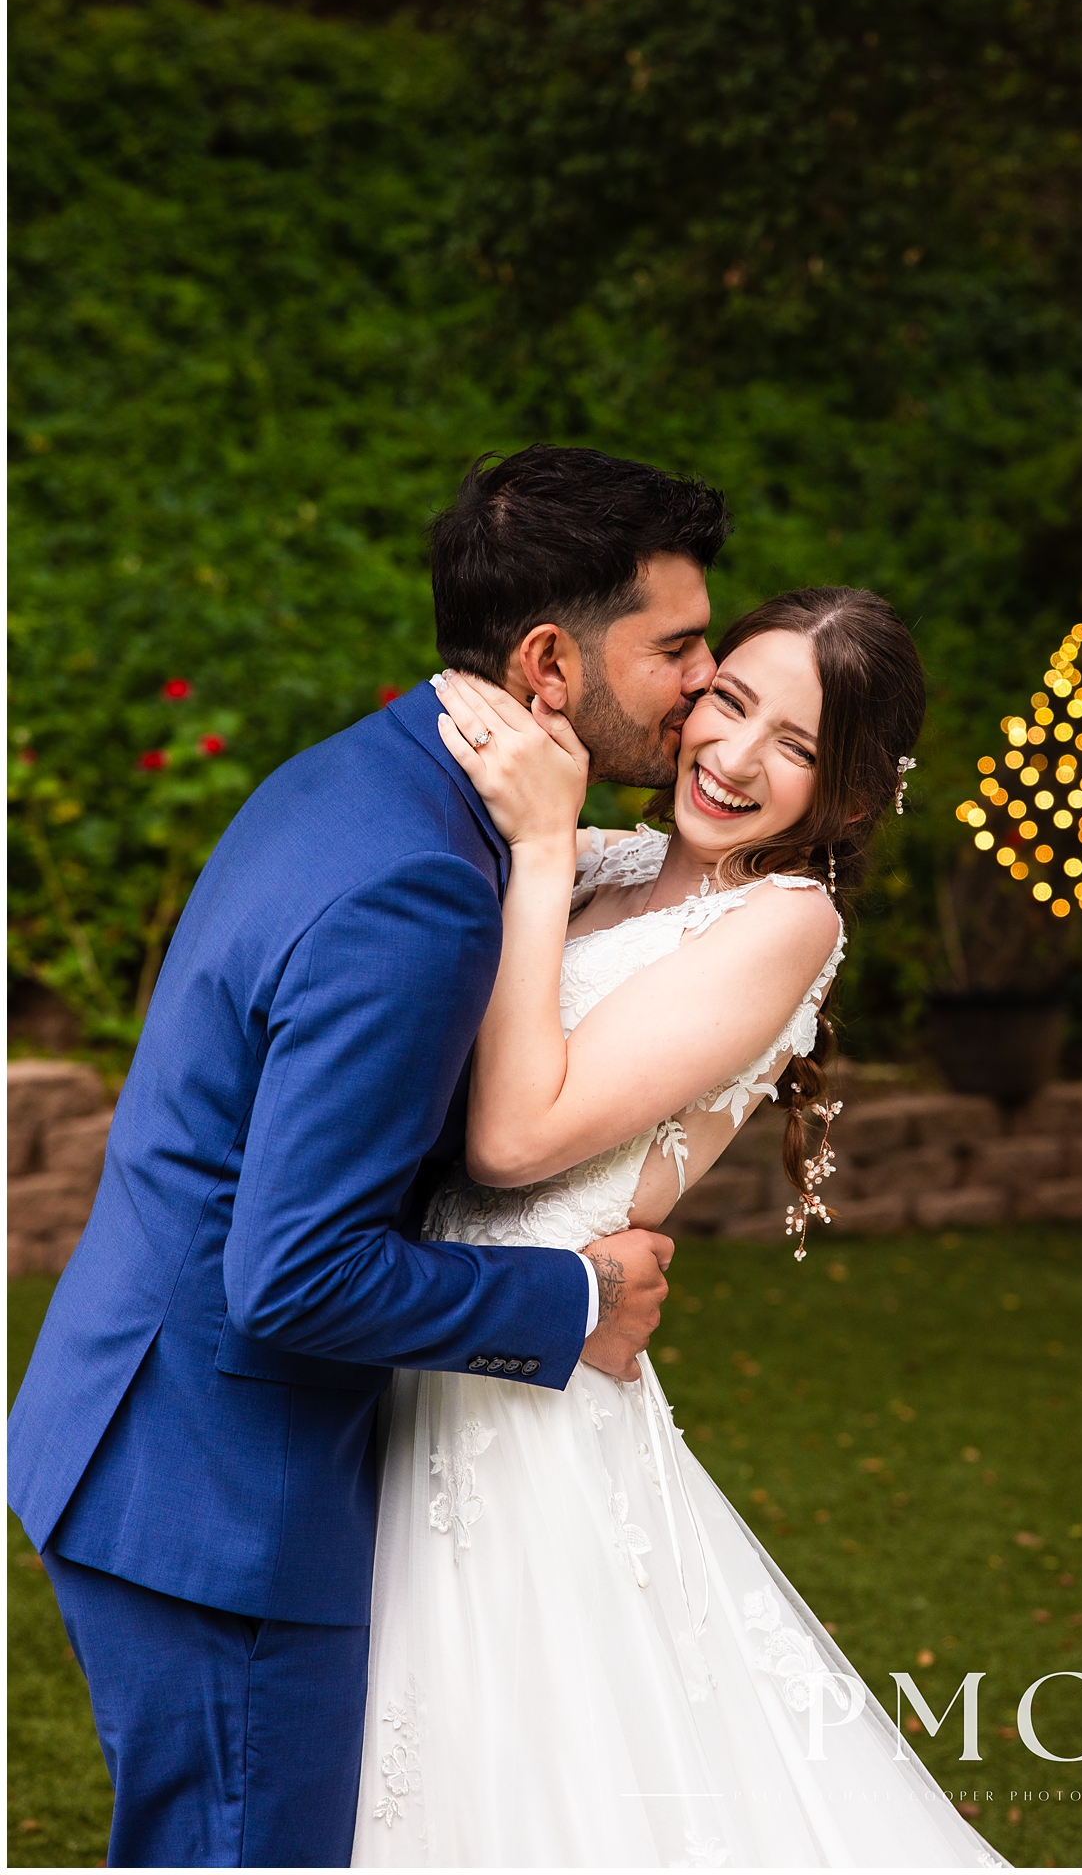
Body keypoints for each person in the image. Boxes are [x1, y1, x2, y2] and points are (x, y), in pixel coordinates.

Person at [7, 445, 731, 1869]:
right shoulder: (414, 890)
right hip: (214, 1501)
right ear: (547, 665)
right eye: (679, 646)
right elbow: (293, 1274)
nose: (705, 681)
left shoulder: (369, 774)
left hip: (147, 1434)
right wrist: (572, 1303)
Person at [351, 590, 1008, 1869]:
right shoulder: (598, 864)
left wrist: (537, 850)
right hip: (415, 1333)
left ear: (852, 799)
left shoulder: (783, 923)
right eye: (731, 699)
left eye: (800, 747)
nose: (738, 755)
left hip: (522, 1413)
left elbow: (512, 1141)